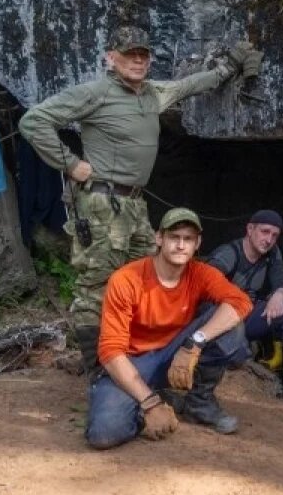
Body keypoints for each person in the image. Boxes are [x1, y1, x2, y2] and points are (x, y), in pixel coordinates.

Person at [19, 26, 262, 372]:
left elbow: (189, 86)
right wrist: (71, 164)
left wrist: (228, 69)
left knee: (147, 276)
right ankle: (98, 372)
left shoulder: (151, 94)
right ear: (111, 58)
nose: (137, 60)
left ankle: (134, 356)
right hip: (102, 204)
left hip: (134, 205)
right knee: (97, 285)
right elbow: (34, 121)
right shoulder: (96, 93)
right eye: (130, 53)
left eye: (143, 55)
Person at [85, 208, 253, 449]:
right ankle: (150, 403)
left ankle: (198, 402)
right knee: (104, 434)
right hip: (132, 362)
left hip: (176, 353)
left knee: (231, 325)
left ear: (198, 244)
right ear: (159, 238)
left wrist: (195, 342)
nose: (181, 245)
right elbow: (111, 351)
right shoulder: (126, 279)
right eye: (174, 237)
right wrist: (149, 404)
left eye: (188, 239)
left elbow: (241, 302)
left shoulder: (201, 273)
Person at [206, 209, 283, 404]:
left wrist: (279, 295)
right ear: (250, 229)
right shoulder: (229, 253)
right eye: (264, 232)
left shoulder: (272, 252)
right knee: (238, 355)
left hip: (247, 314)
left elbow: (282, 282)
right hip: (218, 319)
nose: (269, 239)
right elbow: (205, 288)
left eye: (274, 235)